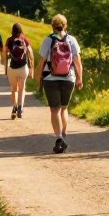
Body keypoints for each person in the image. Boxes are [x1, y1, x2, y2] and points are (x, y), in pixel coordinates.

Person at [34, 14, 83, 154]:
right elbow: (77, 61)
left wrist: (38, 78)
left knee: (54, 110)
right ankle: (63, 134)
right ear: (65, 25)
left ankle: (59, 137)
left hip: (50, 78)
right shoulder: (72, 40)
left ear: (52, 26)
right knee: (64, 108)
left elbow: (42, 61)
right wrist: (80, 78)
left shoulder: (48, 40)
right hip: (69, 78)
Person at [5, 22, 32, 119]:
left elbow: (5, 55)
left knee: (14, 90)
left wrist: (5, 70)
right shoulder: (24, 39)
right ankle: (20, 107)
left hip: (12, 68)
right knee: (22, 88)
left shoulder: (9, 40)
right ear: (21, 30)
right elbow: (30, 54)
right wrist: (31, 68)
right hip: (23, 67)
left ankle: (14, 107)